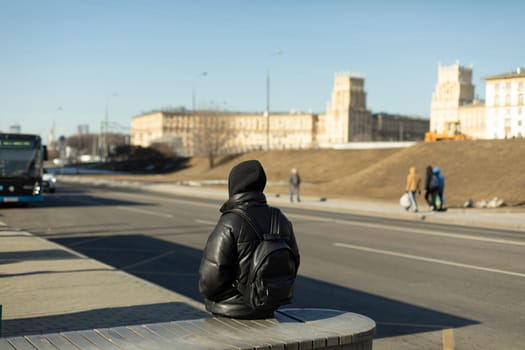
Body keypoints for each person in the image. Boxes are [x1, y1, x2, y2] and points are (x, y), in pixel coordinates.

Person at [198, 160, 300, 319]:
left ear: (233, 186)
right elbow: (294, 261)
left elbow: (210, 279)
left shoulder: (230, 222)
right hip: (269, 307)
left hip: (231, 312)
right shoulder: (279, 218)